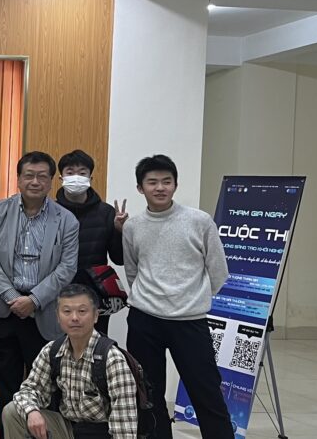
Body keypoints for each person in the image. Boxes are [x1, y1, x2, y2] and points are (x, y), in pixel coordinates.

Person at [124, 154, 232, 439]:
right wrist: (149, 297)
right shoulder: (133, 226)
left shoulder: (199, 221)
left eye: (166, 181)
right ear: (140, 188)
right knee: (148, 394)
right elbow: (133, 270)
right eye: (152, 182)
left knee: (206, 390)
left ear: (175, 184)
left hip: (189, 320)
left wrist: (192, 298)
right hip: (144, 319)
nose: (160, 187)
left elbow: (218, 270)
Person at [0, 151, 79, 418]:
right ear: (19, 179)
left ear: (51, 181)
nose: (35, 182)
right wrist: (12, 296)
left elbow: (67, 268)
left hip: (43, 312)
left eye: (42, 176)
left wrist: (33, 300)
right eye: (29, 175)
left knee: (46, 388)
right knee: (5, 385)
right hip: (3, 309)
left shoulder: (66, 220)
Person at [1, 284, 139, 439]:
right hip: (68, 430)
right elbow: (28, 390)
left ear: (96, 315)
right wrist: (32, 412)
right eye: (67, 311)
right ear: (58, 317)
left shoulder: (112, 359)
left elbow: (125, 427)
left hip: (102, 433)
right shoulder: (52, 351)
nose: (74, 318)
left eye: (82, 311)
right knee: (13, 412)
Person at [55, 150, 128, 334]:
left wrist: (119, 231)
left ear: (90, 178)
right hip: (57, 292)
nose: (76, 177)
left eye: (82, 173)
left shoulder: (106, 212)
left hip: (95, 294)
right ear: (61, 177)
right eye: (70, 172)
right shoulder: (51, 211)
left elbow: (119, 259)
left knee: (95, 344)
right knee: (58, 345)